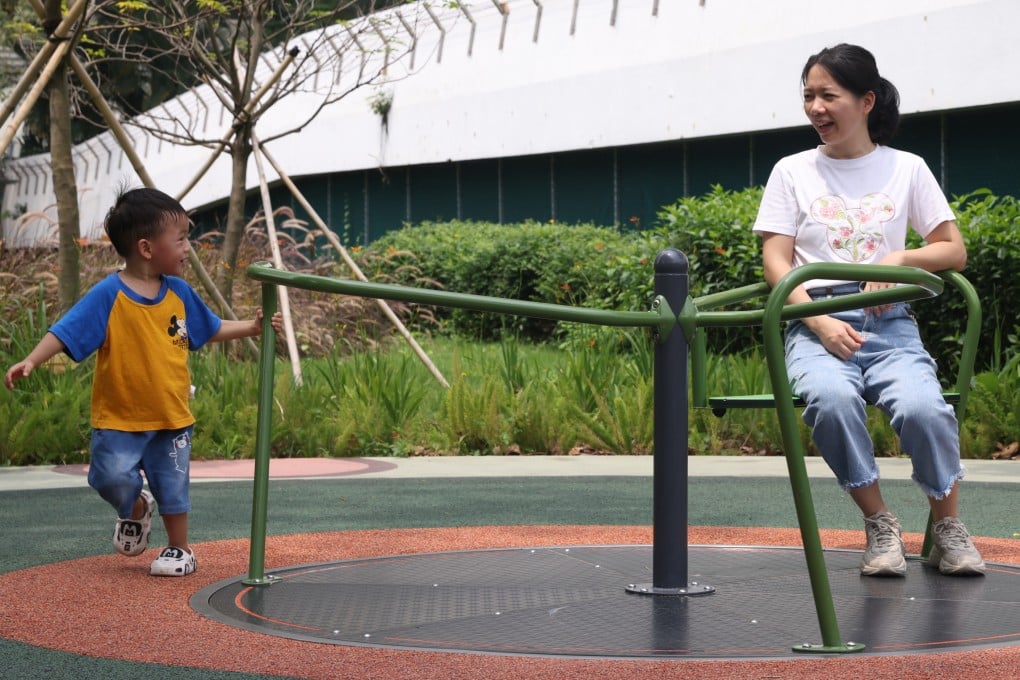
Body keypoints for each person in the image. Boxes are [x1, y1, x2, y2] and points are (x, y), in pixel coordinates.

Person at [752, 44, 985, 577]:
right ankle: (879, 523)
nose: (815, 108)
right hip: (816, 324)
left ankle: (948, 527)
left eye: (829, 96)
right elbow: (775, 259)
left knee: (925, 408)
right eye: (808, 96)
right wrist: (816, 320)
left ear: (865, 101)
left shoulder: (906, 169)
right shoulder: (791, 170)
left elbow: (953, 249)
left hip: (889, 321)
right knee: (831, 401)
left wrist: (900, 256)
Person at [4, 187, 282, 577]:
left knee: (173, 484)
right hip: (119, 418)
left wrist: (253, 327)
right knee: (108, 477)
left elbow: (210, 328)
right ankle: (135, 507)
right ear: (147, 248)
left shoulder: (180, 293)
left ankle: (179, 549)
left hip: (171, 416)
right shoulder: (108, 295)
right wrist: (32, 359)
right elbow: (66, 331)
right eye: (181, 239)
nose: (188, 247)